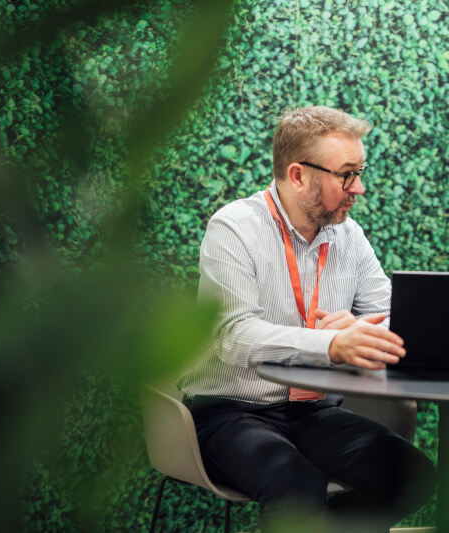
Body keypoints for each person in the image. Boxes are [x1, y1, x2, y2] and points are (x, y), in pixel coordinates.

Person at [177, 106, 435, 531]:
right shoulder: (234, 227)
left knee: (412, 474)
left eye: (360, 171)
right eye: (347, 174)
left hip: (312, 413)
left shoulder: (348, 235)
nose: (360, 187)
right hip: (228, 411)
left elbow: (388, 316)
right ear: (298, 176)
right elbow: (234, 336)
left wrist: (361, 330)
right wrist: (330, 344)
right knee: (295, 486)